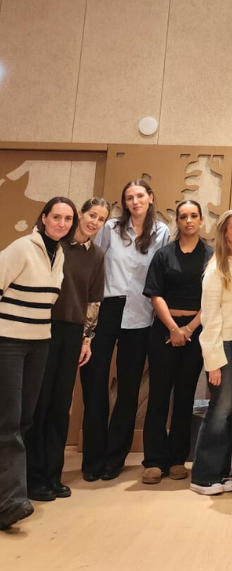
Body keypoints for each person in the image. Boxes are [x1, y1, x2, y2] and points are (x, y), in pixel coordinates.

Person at [81, 179, 170, 481]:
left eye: (140, 196)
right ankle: (92, 458)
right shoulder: (110, 228)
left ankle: (114, 458)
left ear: (150, 197)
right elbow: (96, 265)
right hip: (108, 308)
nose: (135, 201)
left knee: (129, 389)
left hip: (142, 313)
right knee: (94, 384)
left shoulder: (161, 232)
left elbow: (161, 273)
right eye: (129, 197)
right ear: (125, 201)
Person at [25, 197, 106, 502]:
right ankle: (33, 478)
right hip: (42, 329)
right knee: (39, 404)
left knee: (61, 407)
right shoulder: (55, 245)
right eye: (90, 215)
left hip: (72, 332)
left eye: (101, 219)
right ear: (80, 215)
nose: (93, 222)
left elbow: (93, 300)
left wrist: (87, 339)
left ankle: (52, 475)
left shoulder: (97, 255)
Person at [0, 197, 73, 531]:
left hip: (39, 342)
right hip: (9, 342)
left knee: (25, 419)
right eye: (55, 216)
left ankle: (8, 497)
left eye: (67, 218)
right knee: (8, 421)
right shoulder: (21, 247)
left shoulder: (59, 254)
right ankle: (12, 502)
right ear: (43, 218)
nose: (61, 223)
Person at [141, 199, 212, 485]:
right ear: (178, 222)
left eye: (194, 215)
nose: (189, 221)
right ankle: (154, 460)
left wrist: (189, 329)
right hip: (164, 331)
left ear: (201, 220)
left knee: (184, 396)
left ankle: (177, 458)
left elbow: (213, 297)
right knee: (159, 394)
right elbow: (155, 294)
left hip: (196, 331)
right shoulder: (163, 255)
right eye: (183, 216)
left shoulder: (211, 255)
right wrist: (173, 328)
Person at [189, 209, 232, 496]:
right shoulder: (215, 270)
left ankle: (219, 471)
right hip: (223, 345)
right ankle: (202, 476)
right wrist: (212, 363)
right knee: (219, 410)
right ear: (224, 232)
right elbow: (210, 319)